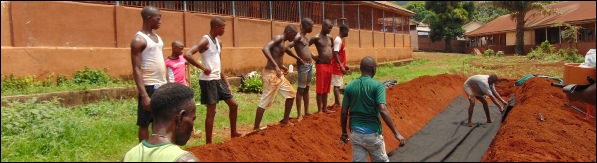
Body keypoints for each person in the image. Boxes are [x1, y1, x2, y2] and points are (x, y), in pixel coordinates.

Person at [183, 16, 243, 144]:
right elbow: (187, 54)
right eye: (223, 27)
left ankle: (233, 133)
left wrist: (227, 84)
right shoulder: (205, 41)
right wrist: (203, 67)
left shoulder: (219, 42)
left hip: (217, 79)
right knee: (212, 112)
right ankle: (209, 144)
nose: (224, 30)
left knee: (234, 105)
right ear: (216, 27)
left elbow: (219, 64)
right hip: (208, 80)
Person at [340, 56, 406, 162]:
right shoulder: (378, 86)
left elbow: (343, 112)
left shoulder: (350, 87)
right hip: (372, 134)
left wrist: (344, 133)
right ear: (373, 69)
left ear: (361, 69)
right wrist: (396, 133)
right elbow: (383, 110)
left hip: (355, 135)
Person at [123, 83, 199, 162]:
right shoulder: (185, 160)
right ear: (180, 118)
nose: (192, 127)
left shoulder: (128, 157)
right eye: (193, 119)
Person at [130, 6, 167, 142]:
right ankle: (144, 152)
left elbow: (161, 62)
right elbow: (136, 68)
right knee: (144, 122)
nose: (160, 22)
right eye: (158, 19)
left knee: (160, 120)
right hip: (149, 85)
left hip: (161, 85)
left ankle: (157, 148)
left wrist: (167, 83)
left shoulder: (157, 38)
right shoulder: (139, 40)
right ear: (148, 18)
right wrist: (144, 95)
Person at [253, 24, 301, 130]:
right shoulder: (278, 38)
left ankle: (285, 121)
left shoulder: (282, 42)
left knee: (291, 94)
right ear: (289, 32)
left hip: (278, 74)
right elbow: (265, 48)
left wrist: (282, 67)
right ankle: (256, 127)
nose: (294, 37)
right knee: (265, 101)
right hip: (270, 74)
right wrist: (276, 66)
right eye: (294, 34)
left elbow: (276, 56)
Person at [165, 40, 201, 138]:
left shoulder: (182, 59)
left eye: (183, 48)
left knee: (189, 109)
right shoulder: (167, 62)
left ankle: (191, 131)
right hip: (174, 89)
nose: (182, 51)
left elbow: (187, 68)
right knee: (176, 111)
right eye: (180, 49)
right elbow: (167, 76)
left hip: (184, 87)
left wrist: (188, 81)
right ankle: (174, 131)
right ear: (174, 48)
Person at [284, 18, 314, 121]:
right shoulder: (298, 37)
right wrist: (298, 59)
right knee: (301, 89)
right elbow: (287, 48)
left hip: (310, 65)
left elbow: (306, 51)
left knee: (307, 89)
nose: (312, 28)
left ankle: (307, 111)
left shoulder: (305, 38)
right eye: (311, 26)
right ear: (306, 26)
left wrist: (314, 57)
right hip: (303, 66)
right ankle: (299, 114)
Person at [309, 19, 335, 114]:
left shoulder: (330, 38)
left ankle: (325, 108)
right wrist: (313, 57)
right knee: (320, 87)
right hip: (321, 65)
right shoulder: (316, 38)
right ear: (323, 25)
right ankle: (319, 109)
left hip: (329, 65)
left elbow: (331, 47)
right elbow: (305, 47)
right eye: (328, 27)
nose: (329, 29)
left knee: (327, 88)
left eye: (331, 28)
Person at [331, 24, 350, 107]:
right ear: (344, 31)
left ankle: (336, 102)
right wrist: (341, 66)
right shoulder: (338, 40)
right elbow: (335, 53)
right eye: (347, 32)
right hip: (336, 66)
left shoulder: (340, 40)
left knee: (337, 84)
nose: (348, 34)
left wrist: (344, 65)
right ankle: (339, 103)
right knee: (337, 85)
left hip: (339, 65)